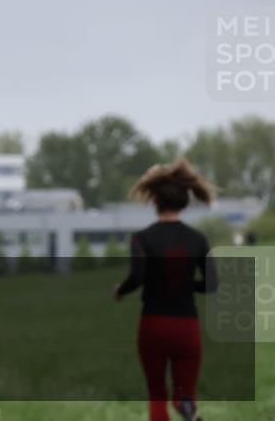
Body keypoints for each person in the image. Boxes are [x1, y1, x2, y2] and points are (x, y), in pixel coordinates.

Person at [114, 159, 218, 421]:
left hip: (154, 325)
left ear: (155, 200)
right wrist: (186, 284)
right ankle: (186, 406)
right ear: (185, 200)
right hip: (187, 328)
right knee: (185, 391)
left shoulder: (142, 238)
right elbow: (213, 283)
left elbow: (137, 276)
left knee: (157, 394)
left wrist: (121, 290)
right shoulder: (197, 239)